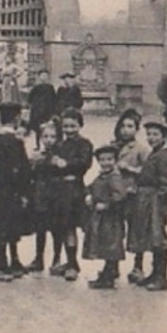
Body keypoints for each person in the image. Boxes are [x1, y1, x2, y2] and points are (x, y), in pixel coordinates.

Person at [0, 98, 32, 281]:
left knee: (10, 226)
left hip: (5, 192)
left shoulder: (4, 140)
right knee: (0, 228)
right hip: (5, 193)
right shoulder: (6, 142)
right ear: (17, 118)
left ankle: (10, 262)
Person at [127, 120, 167, 291]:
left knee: (158, 238)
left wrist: (159, 201)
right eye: (149, 134)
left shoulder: (163, 157)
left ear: (164, 137)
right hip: (147, 201)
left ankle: (161, 277)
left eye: (156, 134)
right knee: (151, 237)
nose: (151, 138)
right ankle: (155, 273)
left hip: (155, 202)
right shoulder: (154, 154)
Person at [51, 108, 93, 281]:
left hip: (74, 189)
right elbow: (51, 164)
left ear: (80, 126)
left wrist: (65, 164)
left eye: (73, 126)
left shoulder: (85, 144)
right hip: (60, 190)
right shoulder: (59, 144)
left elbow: (84, 164)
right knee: (60, 226)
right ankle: (63, 261)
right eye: (66, 126)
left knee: (70, 227)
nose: (69, 130)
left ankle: (72, 263)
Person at [112, 107, 149, 283]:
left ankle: (138, 266)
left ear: (136, 129)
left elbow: (149, 172)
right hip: (115, 195)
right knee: (114, 230)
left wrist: (131, 169)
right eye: (123, 126)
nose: (126, 130)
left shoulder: (141, 149)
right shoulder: (112, 146)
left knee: (136, 230)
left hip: (132, 194)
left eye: (130, 126)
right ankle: (112, 266)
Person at [82, 144, 127, 289]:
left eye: (109, 159)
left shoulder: (115, 177)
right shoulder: (102, 176)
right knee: (105, 244)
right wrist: (88, 195)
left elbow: (120, 195)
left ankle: (109, 276)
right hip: (102, 218)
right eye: (102, 160)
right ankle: (109, 271)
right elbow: (91, 186)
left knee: (111, 245)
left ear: (115, 160)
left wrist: (106, 204)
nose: (106, 162)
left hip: (111, 218)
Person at [26, 117, 66, 274]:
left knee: (57, 228)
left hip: (56, 195)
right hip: (41, 194)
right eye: (46, 137)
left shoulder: (60, 155)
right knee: (40, 228)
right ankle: (39, 258)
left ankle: (57, 258)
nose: (49, 140)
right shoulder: (37, 155)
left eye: (53, 137)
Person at [27, 69, 58, 149]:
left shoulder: (50, 87)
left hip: (47, 110)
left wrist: (54, 110)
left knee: (48, 128)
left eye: (46, 76)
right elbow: (30, 98)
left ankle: (48, 146)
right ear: (39, 77)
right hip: (37, 111)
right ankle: (38, 145)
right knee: (38, 129)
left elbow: (54, 99)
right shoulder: (36, 87)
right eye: (42, 76)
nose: (44, 77)